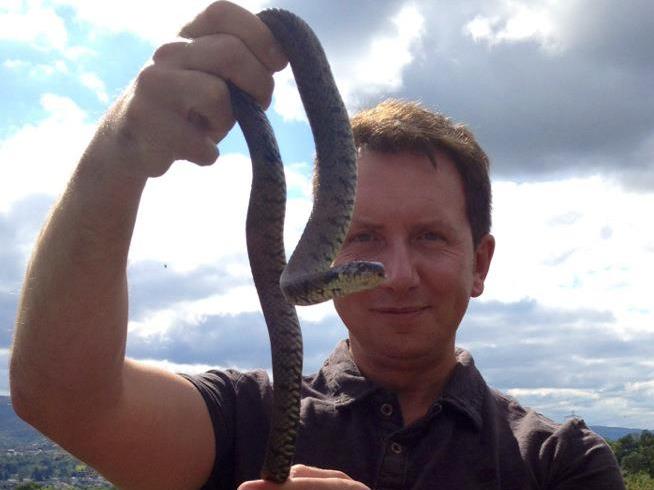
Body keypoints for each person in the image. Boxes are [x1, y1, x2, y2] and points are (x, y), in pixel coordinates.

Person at [9, 1, 624, 489]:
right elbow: (63, 396)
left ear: (479, 264)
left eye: (430, 237)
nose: (393, 273)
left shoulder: (561, 463)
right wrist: (122, 150)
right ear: (327, 253)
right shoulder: (245, 415)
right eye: (364, 238)